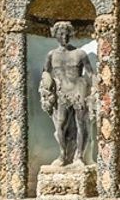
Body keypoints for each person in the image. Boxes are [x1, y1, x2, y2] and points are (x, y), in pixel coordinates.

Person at [38, 20, 97, 167]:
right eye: (60, 34)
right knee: (60, 124)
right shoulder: (51, 55)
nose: (64, 37)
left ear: (71, 35)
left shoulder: (80, 54)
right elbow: (46, 72)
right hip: (61, 92)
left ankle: (79, 157)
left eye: (66, 34)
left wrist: (95, 89)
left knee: (81, 123)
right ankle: (62, 155)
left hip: (78, 90)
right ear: (55, 35)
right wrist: (47, 85)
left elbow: (90, 73)